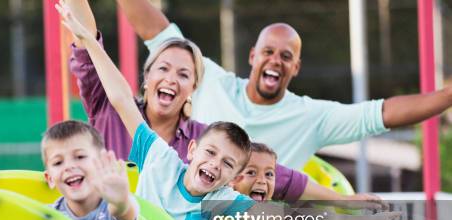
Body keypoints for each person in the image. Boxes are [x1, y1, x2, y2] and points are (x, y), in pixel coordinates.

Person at [55, 1, 413, 220]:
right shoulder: (160, 159)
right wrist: (86, 39)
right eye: (211, 155)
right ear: (192, 150)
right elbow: (118, 96)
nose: (215, 165)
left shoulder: (223, 201)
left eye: (228, 165)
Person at [66, 0, 381, 206]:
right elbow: (86, 42)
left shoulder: (206, 143)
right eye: (163, 69)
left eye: (183, 74)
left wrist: (344, 201)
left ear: (193, 88)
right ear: (147, 77)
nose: (171, 79)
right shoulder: (116, 110)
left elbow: (278, 175)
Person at [116, 0, 452, 170]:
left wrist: (448, 94)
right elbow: (155, 31)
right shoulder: (209, 79)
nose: (275, 60)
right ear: (252, 56)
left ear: (296, 67)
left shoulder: (310, 117)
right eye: (268, 52)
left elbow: (383, 113)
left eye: (286, 55)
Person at [230, 142, 415, 220]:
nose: (262, 180)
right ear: (231, 179)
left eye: (269, 174)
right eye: (251, 172)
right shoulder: (227, 203)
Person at [41, 120, 138, 220]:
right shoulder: (47, 218)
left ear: (101, 162)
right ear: (49, 178)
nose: (69, 166)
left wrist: (121, 201)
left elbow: (124, 213)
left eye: (79, 156)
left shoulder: (112, 208)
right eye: (58, 162)